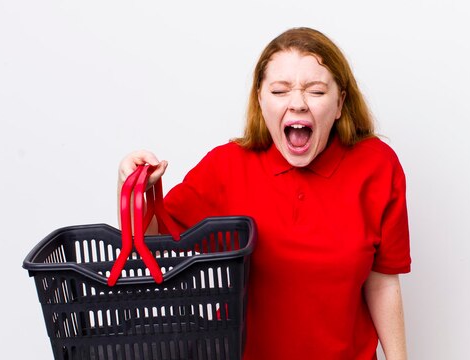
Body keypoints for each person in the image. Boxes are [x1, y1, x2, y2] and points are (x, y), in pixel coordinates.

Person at [118, 27, 411, 360]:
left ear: (340, 102)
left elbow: (383, 282)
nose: (298, 103)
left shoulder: (377, 165)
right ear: (260, 98)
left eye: (315, 91)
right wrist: (131, 186)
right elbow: (148, 244)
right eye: (280, 90)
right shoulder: (226, 167)